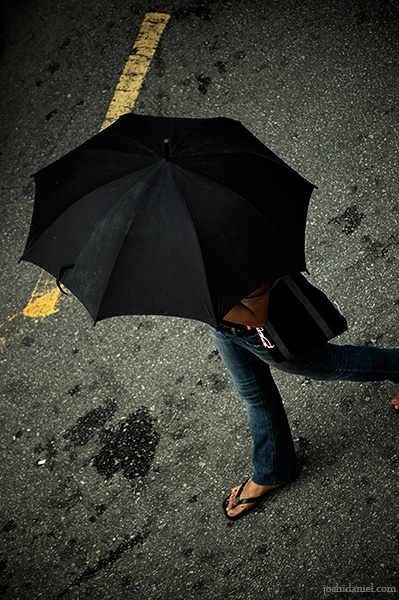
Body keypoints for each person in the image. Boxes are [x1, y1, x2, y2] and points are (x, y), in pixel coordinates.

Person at [210, 279, 399, 521]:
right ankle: (273, 469)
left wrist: (207, 304)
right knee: (252, 392)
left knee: (333, 364)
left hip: (258, 327)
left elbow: (256, 315)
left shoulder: (233, 250)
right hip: (222, 325)